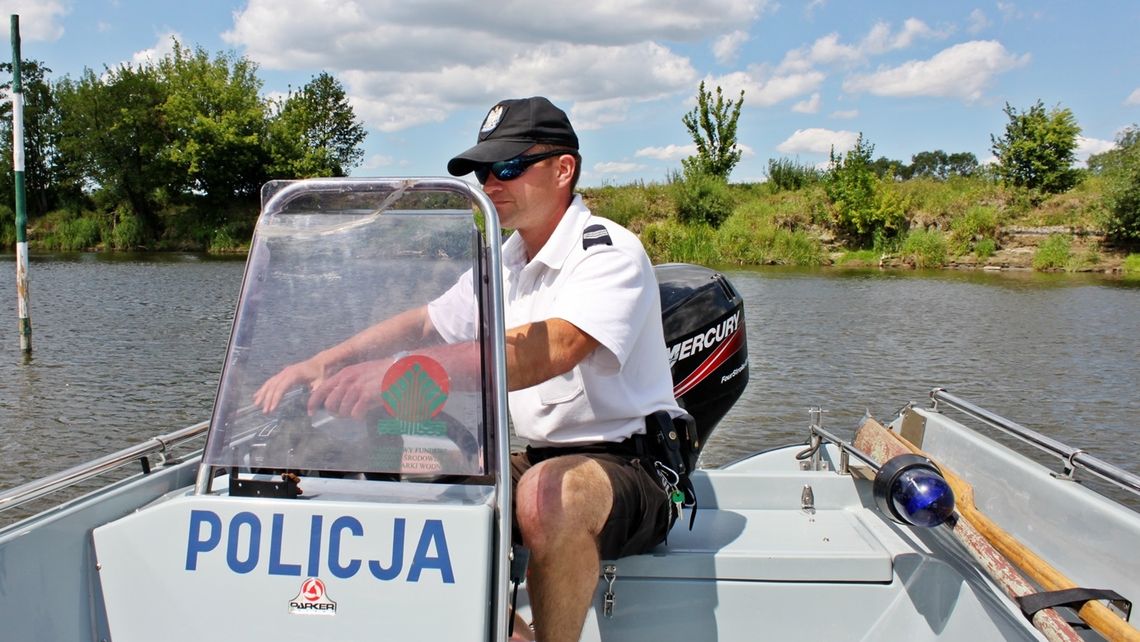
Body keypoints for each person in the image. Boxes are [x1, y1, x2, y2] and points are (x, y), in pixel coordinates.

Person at [254, 96, 683, 642]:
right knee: (404, 456)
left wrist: (405, 372)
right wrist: (322, 362)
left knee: (548, 494)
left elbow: (555, 347)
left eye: (506, 167)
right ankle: (509, 631)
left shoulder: (607, 252)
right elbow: (426, 325)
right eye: (483, 171)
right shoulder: (505, 261)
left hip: (633, 467)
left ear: (563, 169)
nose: (490, 183)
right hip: (539, 458)